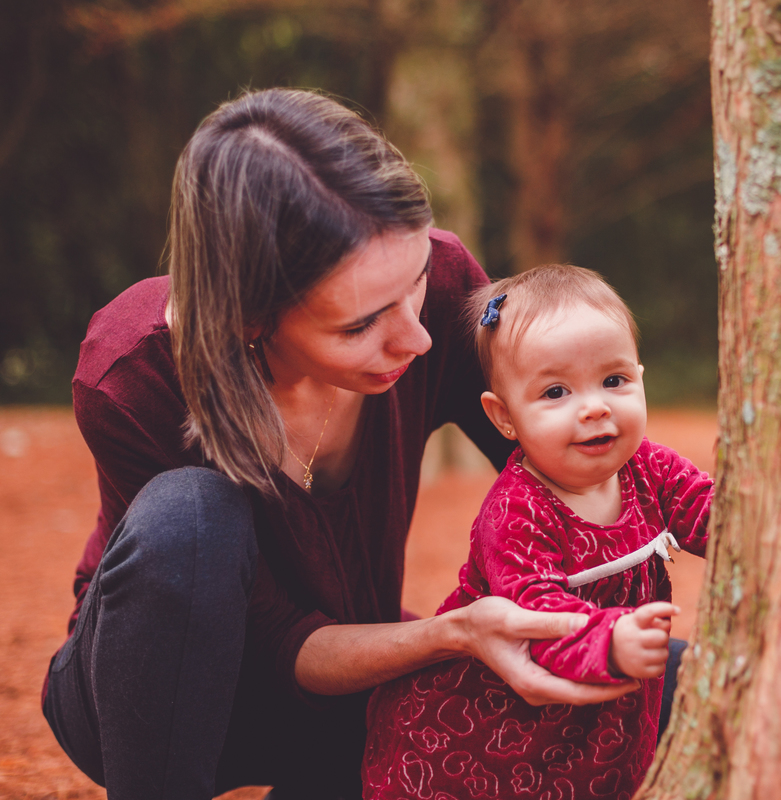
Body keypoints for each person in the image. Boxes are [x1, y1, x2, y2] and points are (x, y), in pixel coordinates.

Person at [41, 88, 636, 800]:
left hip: (356, 690)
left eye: (414, 283)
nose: (415, 339)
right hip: (153, 704)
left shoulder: (444, 288)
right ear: (249, 319)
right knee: (188, 516)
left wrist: (590, 632)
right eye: (359, 326)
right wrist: (453, 635)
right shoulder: (132, 373)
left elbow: (570, 479)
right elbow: (276, 645)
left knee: (669, 679)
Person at [362, 265, 712, 800]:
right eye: (555, 392)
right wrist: (609, 640)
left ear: (640, 378)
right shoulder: (518, 510)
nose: (594, 406)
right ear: (504, 418)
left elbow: (705, 511)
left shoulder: (649, 469)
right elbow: (534, 615)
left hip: (596, 721)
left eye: (614, 380)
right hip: (490, 734)